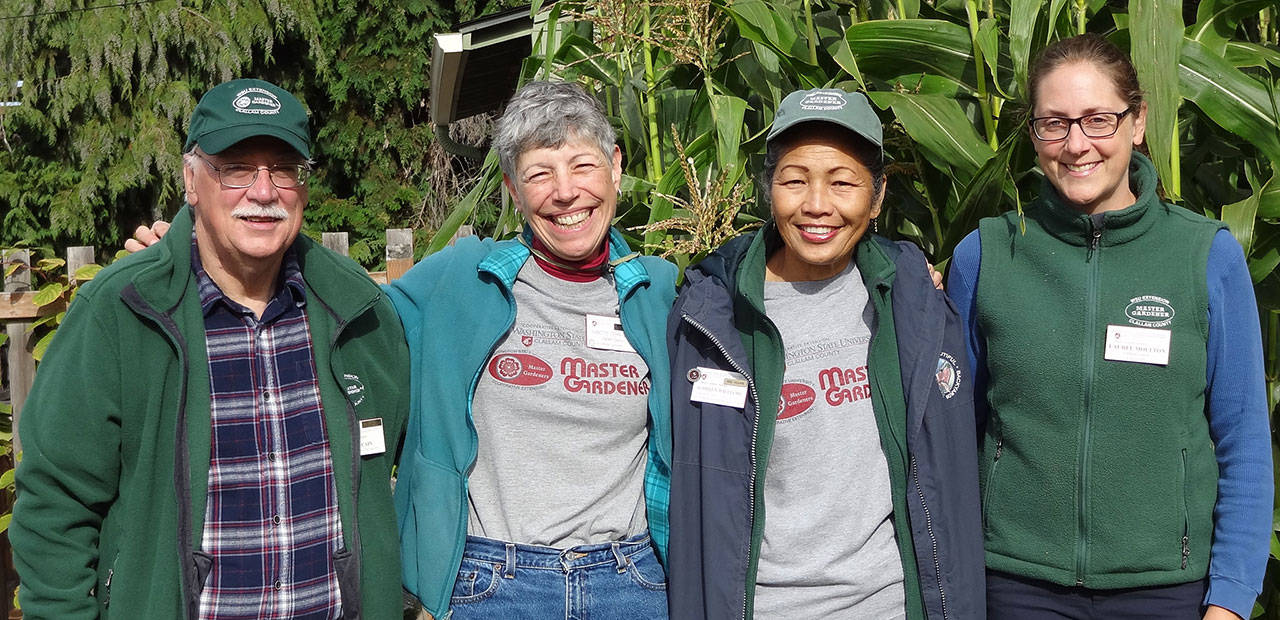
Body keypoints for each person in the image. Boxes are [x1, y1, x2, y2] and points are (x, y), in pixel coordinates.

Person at [11, 78, 410, 619]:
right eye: (236, 169)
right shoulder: (123, 313)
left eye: (283, 169)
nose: (263, 192)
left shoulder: (358, 311)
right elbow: (54, 503)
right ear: (190, 180)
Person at [947, 34, 1273, 620]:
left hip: (1167, 590)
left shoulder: (1205, 257)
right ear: (1033, 133)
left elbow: (1244, 442)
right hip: (1015, 586)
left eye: (1098, 119)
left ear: (1137, 121)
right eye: (1054, 123)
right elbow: (948, 435)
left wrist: (1230, 597)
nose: (1076, 145)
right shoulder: (986, 255)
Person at [666, 87, 985, 620]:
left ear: (877, 198)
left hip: (887, 606)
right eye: (795, 181)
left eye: (843, 182)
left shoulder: (914, 302)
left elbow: (949, 480)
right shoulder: (710, 317)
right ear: (769, 189)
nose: (817, 205)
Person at [387, 81, 675, 619]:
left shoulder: (659, 293)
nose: (565, 193)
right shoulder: (460, 280)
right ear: (513, 191)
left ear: (615, 168)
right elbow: (345, 321)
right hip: (492, 587)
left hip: (631, 585)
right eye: (540, 173)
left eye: (582, 166)